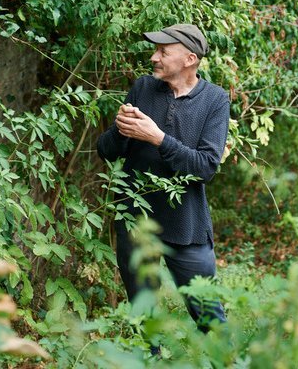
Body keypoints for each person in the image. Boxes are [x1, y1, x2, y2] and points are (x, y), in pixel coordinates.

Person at [97, 23, 230, 332]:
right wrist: (119, 130)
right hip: (136, 223)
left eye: (163, 51)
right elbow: (106, 151)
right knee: (144, 317)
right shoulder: (143, 88)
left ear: (189, 59)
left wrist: (158, 138)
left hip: (186, 227)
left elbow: (206, 167)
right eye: (155, 50)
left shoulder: (215, 100)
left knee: (211, 319)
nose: (154, 57)